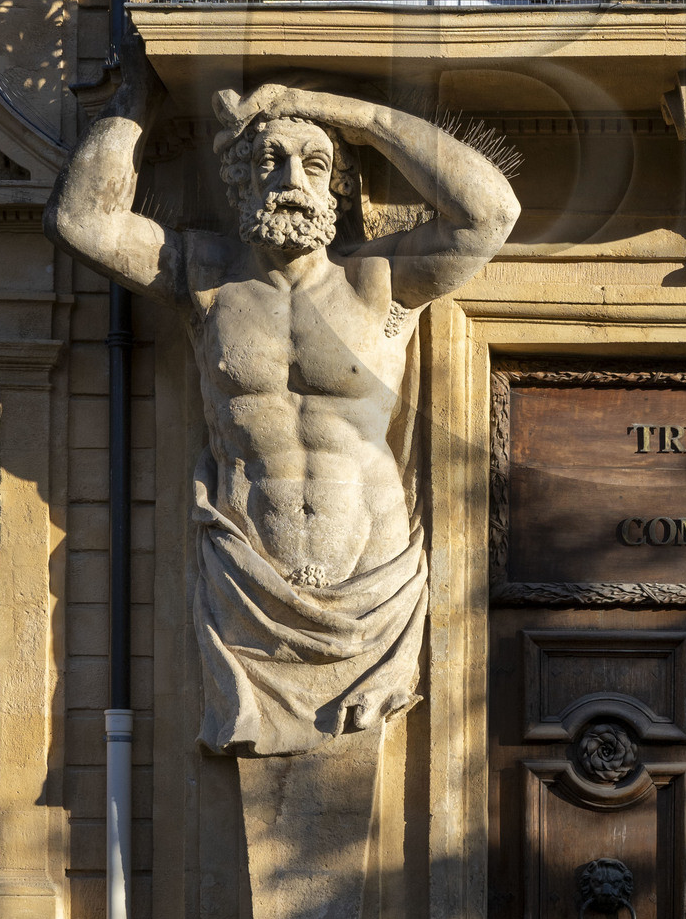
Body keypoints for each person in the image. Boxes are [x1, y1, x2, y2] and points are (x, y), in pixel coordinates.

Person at [46, 38, 518, 753]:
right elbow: (81, 221)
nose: (292, 179)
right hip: (248, 582)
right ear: (240, 181)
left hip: (371, 582)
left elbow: (491, 213)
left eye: (315, 164)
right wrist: (138, 95)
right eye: (270, 161)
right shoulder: (203, 278)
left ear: (337, 188)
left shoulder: (382, 281)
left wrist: (341, 112)